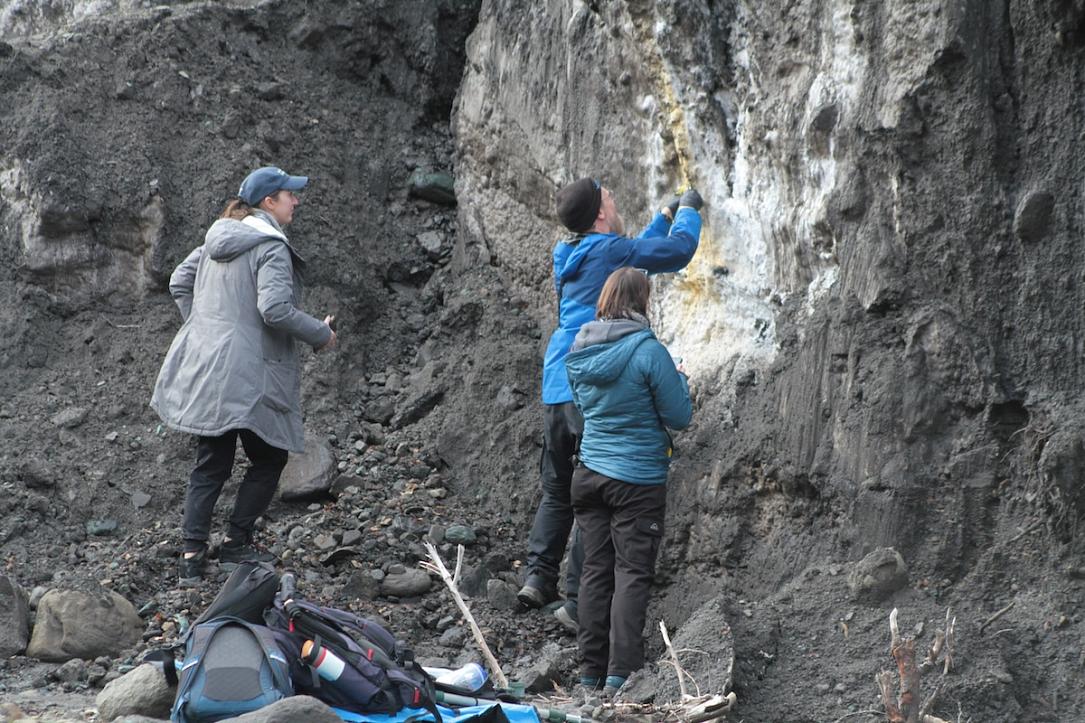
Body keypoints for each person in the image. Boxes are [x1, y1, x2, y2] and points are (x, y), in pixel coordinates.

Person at [518, 177, 703, 632]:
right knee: (595, 485)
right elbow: (673, 254)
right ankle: (578, 602)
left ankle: (538, 577)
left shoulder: (571, 252)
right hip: (592, 383)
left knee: (558, 486)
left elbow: (630, 254)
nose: (616, 202)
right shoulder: (608, 250)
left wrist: (660, 217)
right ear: (601, 213)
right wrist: (689, 212)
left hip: (558, 379)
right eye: (612, 197)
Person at [151, 166, 337, 585]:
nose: (297, 200)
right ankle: (236, 543)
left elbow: (180, 281)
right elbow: (274, 309)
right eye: (290, 194)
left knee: (211, 462)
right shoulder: (269, 245)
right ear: (269, 202)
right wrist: (321, 334)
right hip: (249, 373)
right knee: (269, 457)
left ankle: (192, 556)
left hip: (209, 367)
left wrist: (207, 329)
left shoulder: (217, 239)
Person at [564, 267, 692, 695]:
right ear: (641, 301)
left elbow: (578, 410)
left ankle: (589, 674)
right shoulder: (647, 351)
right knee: (632, 572)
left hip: (589, 475)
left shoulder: (579, 345)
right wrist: (682, 382)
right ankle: (623, 675)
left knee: (595, 572)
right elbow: (679, 416)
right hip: (635, 480)